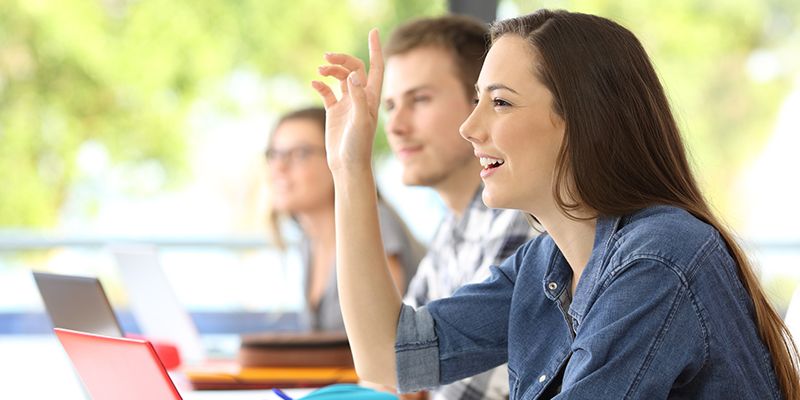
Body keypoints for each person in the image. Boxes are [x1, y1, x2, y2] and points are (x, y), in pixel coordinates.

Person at [312, 9, 800, 400]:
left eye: (499, 102)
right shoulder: (545, 263)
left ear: (582, 122)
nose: (470, 127)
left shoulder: (658, 258)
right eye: (477, 100)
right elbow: (392, 356)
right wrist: (349, 168)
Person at [382, 16, 536, 400]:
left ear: (481, 102)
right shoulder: (452, 228)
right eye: (389, 105)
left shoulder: (523, 222)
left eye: (419, 100)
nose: (395, 126)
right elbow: (395, 367)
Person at [265, 106, 424, 332]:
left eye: (300, 153)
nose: (279, 167)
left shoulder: (375, 223)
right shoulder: (307, 243)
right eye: (274, 154)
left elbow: (382, 334)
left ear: (338, 157)